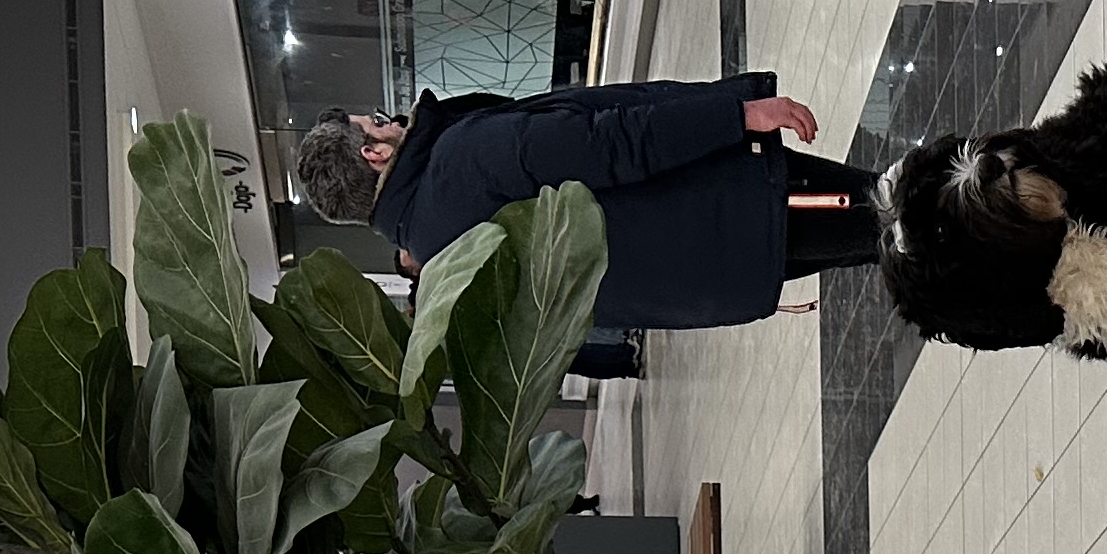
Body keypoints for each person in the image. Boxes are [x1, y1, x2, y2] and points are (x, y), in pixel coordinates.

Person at [290, 80, 883, 333]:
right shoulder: (462, 161)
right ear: (372, 154)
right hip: (730, 200)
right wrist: (736, 115)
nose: (389, 118)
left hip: (718, 262)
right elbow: (611, 145)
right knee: (889, 208)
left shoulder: (437, 262)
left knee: (885, 240)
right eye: (376, 122)